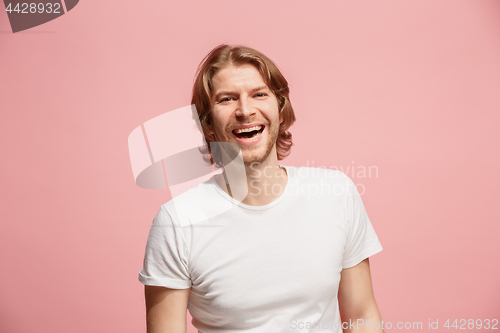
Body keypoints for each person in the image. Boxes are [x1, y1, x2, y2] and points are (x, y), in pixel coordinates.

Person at [138, 44, 385, 333]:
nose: (245, 111)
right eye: (227, 99)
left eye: (259, 94)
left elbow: (362, 316)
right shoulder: (177, 222)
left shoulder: (335, 193)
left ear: (281, 109)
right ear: (207, 124)